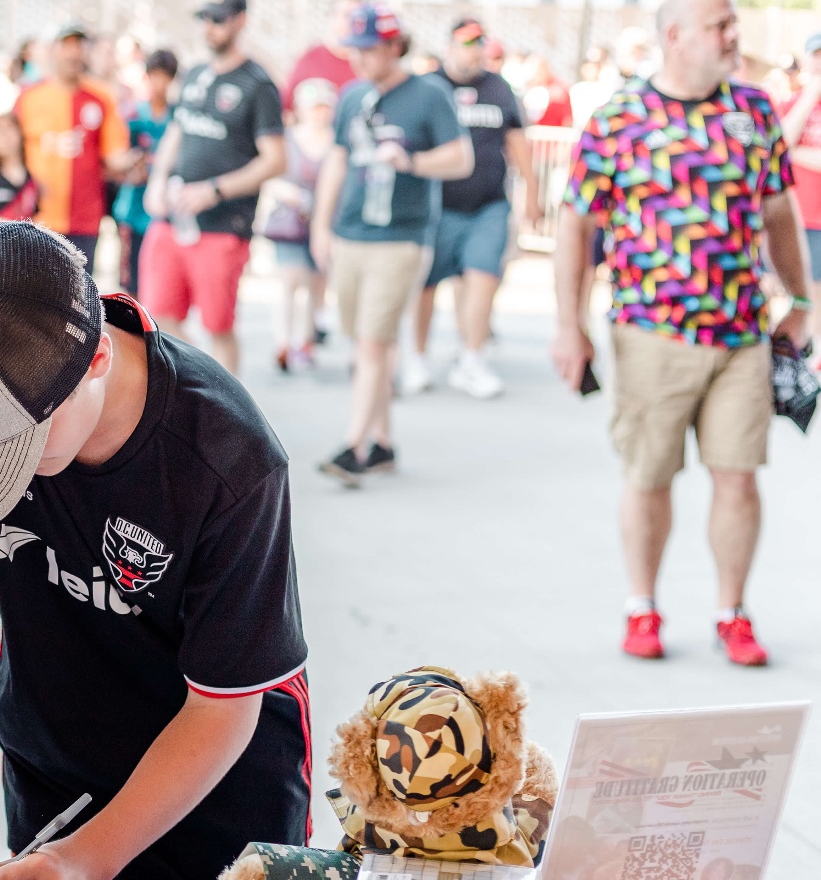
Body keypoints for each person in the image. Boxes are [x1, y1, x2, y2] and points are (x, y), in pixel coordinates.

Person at [0, 221, 310, 880]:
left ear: (96, 358)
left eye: (15, 445)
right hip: (53, 769)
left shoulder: (227, 459)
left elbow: (223, 710)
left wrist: (89, 860)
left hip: (216, 794)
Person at [551, 0, 804, 667]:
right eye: (720, 25)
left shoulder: (753, 110)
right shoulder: (618, 118)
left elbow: (780, 210)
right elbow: (575, 225)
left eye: (732, 23)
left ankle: (732, 612)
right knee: (649, 475)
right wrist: (569, 326)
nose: (733, 34)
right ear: (675, 36)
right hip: (650, 333)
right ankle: (643, 606)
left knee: (739, 478)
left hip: (742, 334)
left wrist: (802, 299)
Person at [310, 3, 470, 486]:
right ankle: (382, 442)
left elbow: (460, 158)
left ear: (395, 47)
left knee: (373, 342)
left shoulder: (429, 94)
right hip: (351, 232)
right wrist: (321, 224)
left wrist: (413, 162)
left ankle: (354, 446)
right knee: (365, 341)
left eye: (369, 49)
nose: (358, 58)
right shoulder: (352, 95)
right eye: (354, 48)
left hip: (401, 236)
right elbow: (338, 161)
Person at [139, 0, 284, 374]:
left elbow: (275, 160)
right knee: (158, 318)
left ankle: (225, 403)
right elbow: (178, 129)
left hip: (223, 226)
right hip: (173, 219)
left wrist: (215, 190)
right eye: (204, 18)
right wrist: (157, 181)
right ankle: (194, 387)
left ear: (240, 21)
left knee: (217, 326)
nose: (209, 26)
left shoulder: (258, 84)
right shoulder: (195, 74)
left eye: (217, 19)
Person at [404, 17, 537, 400]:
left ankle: (472, 359)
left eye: (479, 44)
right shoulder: (429, 87)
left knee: (483, 275)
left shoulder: (498, 87)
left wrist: (532, 191)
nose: (473, 51)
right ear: (450, 46)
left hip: (488, 205)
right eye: (466, 44)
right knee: (426, 286)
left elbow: (517, 140)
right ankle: (417, 357)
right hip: (437, 206)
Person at [12, 23, 133, 269]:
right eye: (67, 46)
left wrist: (137, 161)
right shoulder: (29, 97)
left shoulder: (101, 98)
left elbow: (114, 154)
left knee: (78, 289)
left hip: (84, 219)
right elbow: (10, 150)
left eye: (79, 46)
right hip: (35, 218)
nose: (73, 53)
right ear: (54, 50)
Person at [263, 77, 336, 373]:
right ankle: (283, 342)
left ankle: (305, 341)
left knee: (316, 285)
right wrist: (290, 193)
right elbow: (269, 176)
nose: (320, 113)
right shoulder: (287, 139)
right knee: (289, 281)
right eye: (314, 107)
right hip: (291, 224)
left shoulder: (336, 142)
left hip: (325, 223)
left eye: (324, 107)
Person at [110, 48, 176, 296]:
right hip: (133, 208)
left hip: (164, 211)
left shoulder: (177, 116)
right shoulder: (133, 114)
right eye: (155, 76)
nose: (160, 83)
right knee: (131, 281)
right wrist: (132, 165)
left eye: (165, 77)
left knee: (159, 280)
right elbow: (117, 157)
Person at [778, 34, 821, 315]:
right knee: (792, 292)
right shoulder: (790, 102)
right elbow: (780, 143)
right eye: (816, 56)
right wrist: (810, 96)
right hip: (793, 215)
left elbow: (783, 150)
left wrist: (792, 152)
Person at [283, 0, 357, 116]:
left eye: (358, 17)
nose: (352, 23)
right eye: (346, 16)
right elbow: (285, 107)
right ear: (333, 17)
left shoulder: (371, 68)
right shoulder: (311, 58)